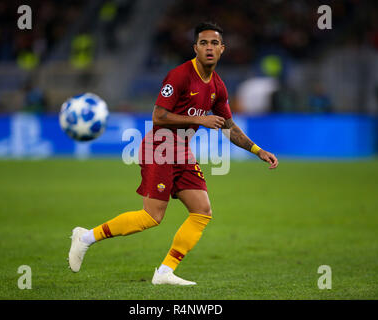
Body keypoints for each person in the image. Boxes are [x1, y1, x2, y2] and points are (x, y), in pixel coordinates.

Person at [68, 22, 279, 285]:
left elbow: (229, 126)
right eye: (204, 43)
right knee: (151, 217)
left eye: (214, 43)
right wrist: (201, 119)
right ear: (196, 48)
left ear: (222, 49)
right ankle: (85, 237)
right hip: (159, 145)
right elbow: (158, 115)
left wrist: (258, 151)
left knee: (202, 211)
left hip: (181, 150)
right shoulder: (179, 75)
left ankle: (165, 272)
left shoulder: (218, 86)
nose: (209, 48)